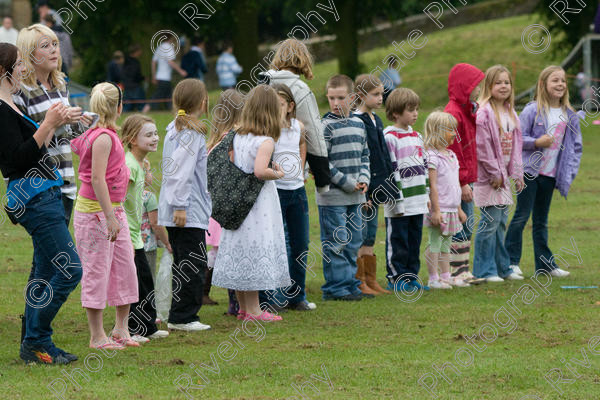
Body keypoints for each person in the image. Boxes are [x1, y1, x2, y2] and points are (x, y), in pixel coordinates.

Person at [0, 43, 81, 364]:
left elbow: (32, 150)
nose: (23, 69)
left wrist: (55, 124)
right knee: (70, 270)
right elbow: (13, 160)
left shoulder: (11, 104)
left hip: (45, 192)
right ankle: (36, 339)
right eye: (18, 65)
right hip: (33, 198)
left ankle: (35, 343)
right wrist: (47, 124)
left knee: (44, 271)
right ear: (3, 71)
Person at [211, 84, 291, 321]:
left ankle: (244, 307)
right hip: (257, 204)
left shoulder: (239, 135)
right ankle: (255, 311)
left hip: (239, 201)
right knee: (256, 249)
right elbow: (259, 171)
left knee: (242, 249)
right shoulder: (266, 140)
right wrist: (277, 173)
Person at [70, 83, 138, 350]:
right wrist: (109, 216)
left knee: (125, 267)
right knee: (96, 271)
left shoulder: (103, 134)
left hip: (113, 211)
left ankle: (121, 328)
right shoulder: (102, 137)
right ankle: (97, 336)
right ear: (119, 107)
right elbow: (97, 179)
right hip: (96, 215)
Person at [505, 66, 583, 278]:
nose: (560, 84)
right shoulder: (532, 110)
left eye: (563, 81)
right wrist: (537, 142)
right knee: (521, 216)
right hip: (529, 173)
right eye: (555, 80)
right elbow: (517, 138)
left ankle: (545, 266)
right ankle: (510, 262)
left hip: (550, 175)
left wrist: (568, 173)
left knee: (541, 221)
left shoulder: (570, 115)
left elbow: (576, 147)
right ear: (543, 85)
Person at [158, 79, 212, 331]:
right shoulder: (190, 134)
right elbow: (181, 172)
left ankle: (180, 312)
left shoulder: (176, 129)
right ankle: (184, 317)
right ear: (203, 102)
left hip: (180, 209)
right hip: (185, 211)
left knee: (183, 261)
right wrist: (180, 205)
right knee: (193, 262)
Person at [318, 75, 371, 301]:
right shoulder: (324, 126)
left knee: (354, 241)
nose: (336, 102)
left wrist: (364, 179)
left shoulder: (359, 124)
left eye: (341, 97)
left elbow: (365, 155)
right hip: (333, 198)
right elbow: (323, 164)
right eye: (331, 98)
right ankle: (335, 287)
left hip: (356, 196)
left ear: (352, 97)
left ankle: (350, 283)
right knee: (336, 242)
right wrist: (349, 184)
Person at [264, 83, 316, 311]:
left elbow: (302, 144)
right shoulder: (266, 130)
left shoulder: (298, 127)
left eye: (281, 105)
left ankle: (297, 295)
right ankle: (275, 296)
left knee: (300, 243)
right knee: (279, 244)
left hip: (297, 192)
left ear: (290, 106)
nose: (276, 109)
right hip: (275, 191)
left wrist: (301, 168)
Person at [472, 65, 525, 282]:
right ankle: (484, 270)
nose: (503, 86)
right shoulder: (484, 112)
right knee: (489, 221)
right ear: (489, 86)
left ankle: (502, 267)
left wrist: (518, 174)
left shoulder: (511, 112)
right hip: (489, 177)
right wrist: (495, 172)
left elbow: (516, 146)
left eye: (507, 82)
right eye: (498, 83)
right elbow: (482, 147)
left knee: (501, 221)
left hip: (503, 176)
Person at [120, 114, 169, 341]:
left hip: (136, 234)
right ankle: (133, 327)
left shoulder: (138, 164)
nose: (155, 138)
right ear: (132, 139)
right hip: (127, 234)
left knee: (145, 280)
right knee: (136, 283)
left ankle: (147, 326)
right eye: (148, 135)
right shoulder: (129, 164)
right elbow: (118, 197)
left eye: (156, 133)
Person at [383, 88, 435, 291]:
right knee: (398, 240)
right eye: (410, 109)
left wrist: (427, 194)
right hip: (399, 201)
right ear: (396, 112)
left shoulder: (417, 136)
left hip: (418, 200)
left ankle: (411, 276)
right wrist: (397, 198)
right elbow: (391, 169)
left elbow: (423, 167)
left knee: (414, 240)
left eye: (416, 109)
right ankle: (396, 278)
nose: (415, 113)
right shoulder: (389, 137)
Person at [264, 39, 330, 194]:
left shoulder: (261, 84)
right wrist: (322, 179)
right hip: (289, 173)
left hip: (261, 166)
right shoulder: (300, 89)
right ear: (304, 59)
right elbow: (313, 131)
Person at [353, 74, 395, 295]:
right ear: (361, 95)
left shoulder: (376, 119)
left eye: (381, 94)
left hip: (379, 184)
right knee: (360, 232)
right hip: (364, 187)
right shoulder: (357, 120)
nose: (380, 98)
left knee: (371, 233)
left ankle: (371, 279)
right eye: (375, 94)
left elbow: (382, 154)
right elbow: (363, 155)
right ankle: (359, 280)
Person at [204, 89, 245, 313]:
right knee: (232, 252)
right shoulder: (233, 139)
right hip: (229, 205)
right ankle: (236, 301)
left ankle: (224, 297)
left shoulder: (214, 140)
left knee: (221, 252)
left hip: (215, 205)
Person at [444, 63, 485, 284]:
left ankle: (463, 270)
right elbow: (453, 152)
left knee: (467, 225)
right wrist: (462, 183)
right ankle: (456, 272)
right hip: (458, 181)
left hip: (468, 178)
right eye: (475, 85)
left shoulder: (466, 110)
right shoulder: (453, 113)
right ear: (464, 86)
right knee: (460, 225)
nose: (478, 89)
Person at [423, 112, 468, 289]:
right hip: (439, 209)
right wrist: (436, 210)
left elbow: (454, 184)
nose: (454, 134)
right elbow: (432, 186)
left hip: (451, 208)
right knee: (434, 241)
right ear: (437, 131)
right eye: (450, 130)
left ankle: (446, 275)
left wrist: (459, 208)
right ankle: (433, 278)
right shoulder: (432, 157)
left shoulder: (451, 155)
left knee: (447, 243)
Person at [140, 160, 171, 284]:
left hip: (127, 244)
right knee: (148, 278)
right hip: (146, 245)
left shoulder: (121, 195)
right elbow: (155, 223)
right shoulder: (148, 197)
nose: (151, 174)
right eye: (149, 171)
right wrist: (167, 242)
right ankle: (147, 302)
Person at [144, 36, 187, 112]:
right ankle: (145, 110)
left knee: (168, 95)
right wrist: (181, 71)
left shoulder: (159, 47)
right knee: (158, 95)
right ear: (171, 38)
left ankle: (173, 111)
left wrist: (154, 76)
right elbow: (170, 62)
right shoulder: (169, 47)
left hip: (159, 76)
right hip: (165, 77)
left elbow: (153, 62)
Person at [122, 44, 146, 112]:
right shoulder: (135, 62)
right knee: (141, 105)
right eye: (140, 50)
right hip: (135, 86)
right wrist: (143, 78)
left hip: (126, 86)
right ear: (137, 51)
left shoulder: (125, 61)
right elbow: (135, 75)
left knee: (127, 107)